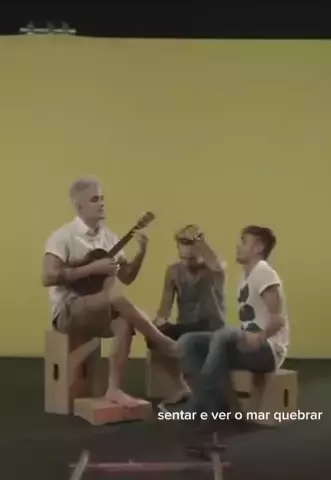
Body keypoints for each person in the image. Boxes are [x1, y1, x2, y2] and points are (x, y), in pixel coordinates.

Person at [41, 176, 177, 408]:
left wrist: (142, 251)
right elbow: (47, 277)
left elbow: (127, 277)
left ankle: (114, 389)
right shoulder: (63, 237)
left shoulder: (109, 237)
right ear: (79, 206)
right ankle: (161, 341)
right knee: (115, 297)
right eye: (95, 199)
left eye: (102, 198)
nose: (102, 203)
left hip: (99, 310)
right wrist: (91, 269)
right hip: (68, 311)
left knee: (124, 322)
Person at [178, 225, 289, 434]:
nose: (238, 246)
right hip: (249, 345)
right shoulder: (246, 276)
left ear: (258, 247)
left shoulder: (264, 272)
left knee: (223, 335)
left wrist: (261, 336)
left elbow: (278, 319)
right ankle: (212, 404)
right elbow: (214, 263)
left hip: (270, 350)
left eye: (244, 241)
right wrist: (200, 241)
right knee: (189, 341)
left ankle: (207, 405)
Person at [148, 224, 227, 405]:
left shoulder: (215, 269)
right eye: (183, 257)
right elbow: (165, 308)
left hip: (211, 327)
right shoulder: (173, 271)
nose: (187, 262)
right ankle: (181, 386)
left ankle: (201, 387)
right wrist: (154, 328)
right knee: (154, 334)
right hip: (186, 326)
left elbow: (215, 265)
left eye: (191, 258)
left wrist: (200, 240)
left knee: (189, 341)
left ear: (200, 250)